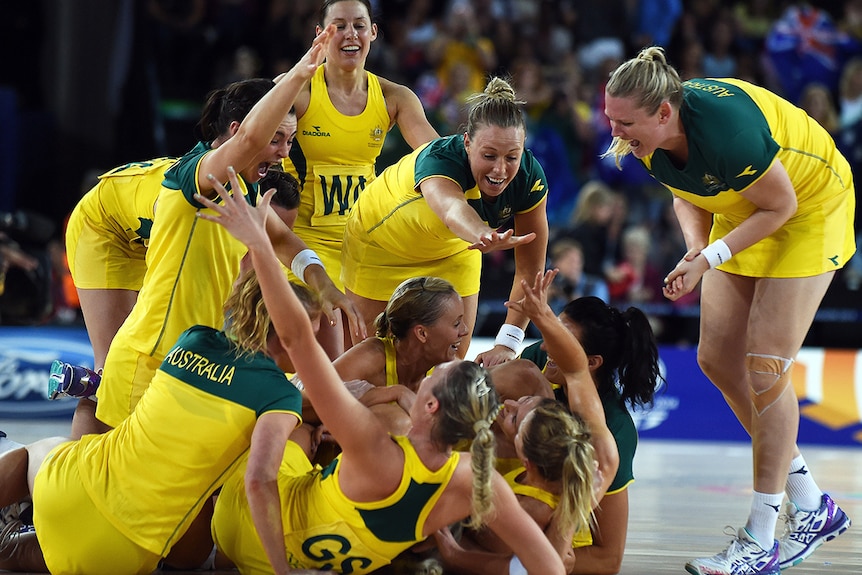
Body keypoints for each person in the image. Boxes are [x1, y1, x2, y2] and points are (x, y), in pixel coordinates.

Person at [197, 162, 565, 575]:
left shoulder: (373, 442)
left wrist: (261, 247)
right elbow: (549, 566)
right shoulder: (475, 482)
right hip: (312, 554)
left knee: (291, 429)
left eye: (433, 382)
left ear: (429, 406)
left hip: (247, 531)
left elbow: (297, 339)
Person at [603, 46, 855, 574]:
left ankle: (762, 536)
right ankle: (811, 504)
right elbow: (685, 194)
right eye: (610, 118)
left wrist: (713, 256)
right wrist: (697, 250)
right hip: (748, 204)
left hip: (808, 206)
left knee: (766, 367)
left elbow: (782, 205)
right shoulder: (646, 139)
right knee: (717, 357)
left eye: (624, 122)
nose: (615, 132)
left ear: (664, 112)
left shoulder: (724, 130)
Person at [91, 27, 364, 436]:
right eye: (277, 139)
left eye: (291, 141)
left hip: (192, 359)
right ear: (236, 132)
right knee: (119, 486)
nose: (285, 152)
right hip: (149, 356)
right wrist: (299, 75)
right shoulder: (200, 173)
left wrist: (323, 283)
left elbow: (284, 239)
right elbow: (253, 136)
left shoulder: (246, 187)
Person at [0, 267, 319, 574]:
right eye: (312, 333)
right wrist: (283, 571)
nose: (315, 345)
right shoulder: (279, 398)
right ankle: (15, 536)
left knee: (45, 450)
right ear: (288, 332)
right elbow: (259, 481)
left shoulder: (194, 339)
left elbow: (243, 307)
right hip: (119, 553)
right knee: (72, 547)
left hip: (68, 490)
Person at [54, 162, 301, 439]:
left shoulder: (249, 232)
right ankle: (78, 463)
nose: (265, 248)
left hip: (150, 230)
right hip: (104, 228)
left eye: (277, 238)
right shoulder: (205, 218)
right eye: (264, 233)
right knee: (112, 370)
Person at [342, 76, 550, 366]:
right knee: (377, 365)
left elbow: (530, 270)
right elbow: (452, 209)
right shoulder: (440, 160)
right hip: (381, 245)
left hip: (455, 250)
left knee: (448, 365)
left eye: (512, 157)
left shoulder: (529, 178)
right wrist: (482, 232)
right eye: (489, 155)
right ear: (466, 143)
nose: (500, 169)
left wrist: (507, 343)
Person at [431, 270, 620, 574]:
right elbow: (576, 371)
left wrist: (453, 555)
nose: (509, 404)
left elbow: (546, 567)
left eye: (517, 417)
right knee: (527, 374)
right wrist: (540, 318)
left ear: (526, 460)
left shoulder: (523, 508)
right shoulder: (596, 454)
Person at [282, 0, 439, 357]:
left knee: (373, 354)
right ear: (320, 34)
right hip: (303, 242)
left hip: (363, 243)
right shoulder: (299, 90)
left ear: (373, 33)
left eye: (359, 25)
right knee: (314, 347)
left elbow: (436, 158)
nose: (350, 34)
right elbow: (250, 133)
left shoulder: (393, 96)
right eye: (339, 25)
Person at [519, 295, 662, 574]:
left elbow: (608, 558)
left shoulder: (615, 431)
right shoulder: (539, 358)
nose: (547, 344)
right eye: (552, 330)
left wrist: (517, 563)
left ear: (593, 361)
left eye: (562, 338)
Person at [329, 275, 468, 435]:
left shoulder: (447, 374)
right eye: (456, 324)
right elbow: (304, 397)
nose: (465, 331)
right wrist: (394, 393)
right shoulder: (372, 356)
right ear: (422, 333)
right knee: (398, 422)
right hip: (321, 444)